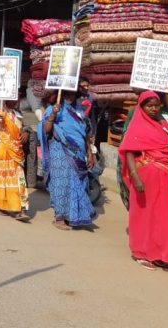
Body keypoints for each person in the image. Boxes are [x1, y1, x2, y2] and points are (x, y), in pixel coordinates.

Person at [119, 91, 168, 270]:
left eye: (156, 105)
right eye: (149, 106)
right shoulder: (137, 126)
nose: (153, 109)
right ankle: (141, 252)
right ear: (142, 107)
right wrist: (135, 177)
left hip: (166, 176)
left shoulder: (164, 124)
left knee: (163, 217)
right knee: (145, 216)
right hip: (146, 177)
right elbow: (129, 151)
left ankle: (160, 251)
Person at [39, 90, 97, 230]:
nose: (70, 97)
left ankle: (73, 216)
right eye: (67, 94)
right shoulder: (53, 109)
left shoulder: (79, 111)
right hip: (60, 149)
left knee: (78, 183)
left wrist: (90, 152)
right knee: (62, 183)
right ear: (61, 94)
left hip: (78, 151)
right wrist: (53, 113)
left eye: (73, 94)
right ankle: (60, 217)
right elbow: (46, 130)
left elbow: (85, 134)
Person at [0, 100, 31, 221]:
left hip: (15, 152)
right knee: (2, 180)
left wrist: (25, 132)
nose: (16, 100)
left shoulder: (18, 114)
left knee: (19, 179)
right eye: (13, 97)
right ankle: (1, 206)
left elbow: (23, 128)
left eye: (17, 98)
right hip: (0, 151)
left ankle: (20, 209)